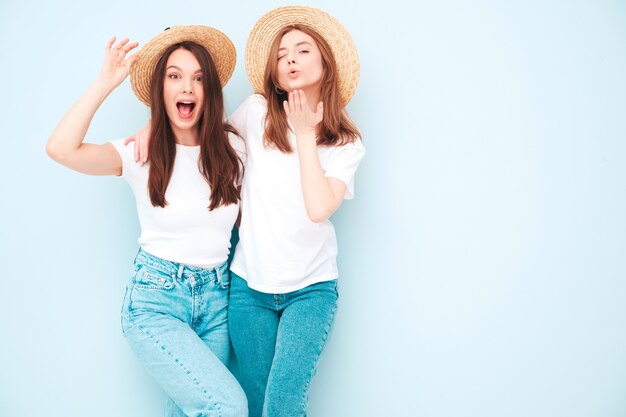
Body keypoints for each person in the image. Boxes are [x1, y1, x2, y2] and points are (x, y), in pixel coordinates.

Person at [127, 6, 365, 417]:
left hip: (311, 290)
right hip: (247, 290)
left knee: (283, 404)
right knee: (252, 402)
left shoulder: (345, 143)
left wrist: (307, 134)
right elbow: (203, 134)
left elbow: (318, 207)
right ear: (273, 74)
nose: (290, 58)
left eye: (303, 50)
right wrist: (154, 123)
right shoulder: (255, 113)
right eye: (281, 54)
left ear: (325, 62)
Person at [46, 25, 247, 417]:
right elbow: (60, 148)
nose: (187, 86)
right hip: (157, 301)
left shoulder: (233, 148)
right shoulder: (141, 153)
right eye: (175, 76)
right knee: (227, 405)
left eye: (198, 78)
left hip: (218, 299)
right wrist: (106, 82)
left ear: (209, 91)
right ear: (161, 89)